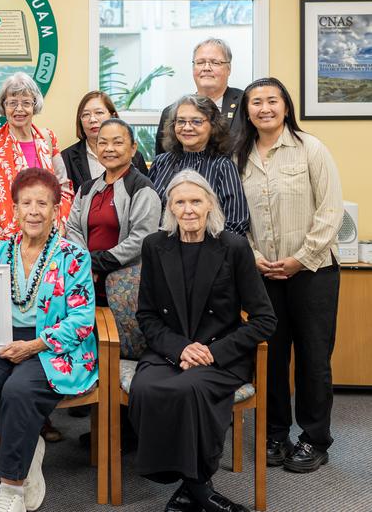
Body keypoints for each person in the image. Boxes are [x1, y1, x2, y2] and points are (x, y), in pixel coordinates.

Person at [129, 170, 276, 512]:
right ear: (170, 208)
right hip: (170, 349)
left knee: (187, 390)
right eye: (180, 202)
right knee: (147, 389)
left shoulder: (234, 247)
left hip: (221, 353)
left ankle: (194, 487)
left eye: (196, 201)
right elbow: (147, 316)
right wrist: (181, 347)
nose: (189, 209)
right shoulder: (155, 245)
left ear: (210, 203)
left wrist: (211, 352)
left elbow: (265, 319)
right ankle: (195, 489)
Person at [0, 168, 98, 512]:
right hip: (4, 340)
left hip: (53, 345)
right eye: (26, 203)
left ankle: (11, 487)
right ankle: (22, 447)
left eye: (43, 203)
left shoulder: (73, 255)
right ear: (15, 210)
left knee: (18, 390)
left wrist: (36, 345)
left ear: (55, 210)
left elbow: (82, 319)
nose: (34, 211)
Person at [232, 77, 343, 474]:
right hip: (262, 273)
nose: (264, 108)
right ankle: (276, 433)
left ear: (285, 106)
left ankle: (314, 438)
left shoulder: (310, 149)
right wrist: (255, 257)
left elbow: (331, 211)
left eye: (271, 101)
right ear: (246, 111)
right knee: (271, 357)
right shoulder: (238, 156)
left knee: (314, 358)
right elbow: (235, 218)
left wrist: (300, 257)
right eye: (256, 102)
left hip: (313, 271)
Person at [66, 118, 161, 304]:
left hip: (125, 289)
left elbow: (142, 237)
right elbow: (73, 229)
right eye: (102, 143)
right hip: (85, 283)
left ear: (133, 148)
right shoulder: (86, 189)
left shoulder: (142, 188)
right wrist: (85, 262)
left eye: (118, 142)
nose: (109, 149)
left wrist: (98, 262)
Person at [0, 72, 73, 249]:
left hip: (49, 240)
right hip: (7, 244)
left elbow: (63, 187)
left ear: (34, 106)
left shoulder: (48, 138)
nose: (19, 109)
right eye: (12, 103)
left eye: (26, 103)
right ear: (4, 106)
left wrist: (59, 226)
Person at [149, 94, 250, 236]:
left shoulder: (223, 166)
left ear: (213, 126)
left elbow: (236, 222)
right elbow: (148, 216)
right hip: (163, 252)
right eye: (181, 121)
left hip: (212, 253)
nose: (187, 127)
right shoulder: (160, 163)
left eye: (196, 122)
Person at [155, 38, 243, 155]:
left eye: (215, 62)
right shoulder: (171, 112)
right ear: (193, 68)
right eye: (200, 62)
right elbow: (163, 160)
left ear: (229, 69)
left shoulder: (245, 105)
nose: (206, 68)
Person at [61, 91, 148, 192]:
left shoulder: (135, 156)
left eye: (99, 112)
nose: (92, 119)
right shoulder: (66, 158)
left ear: (113, 116)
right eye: (85, 115)